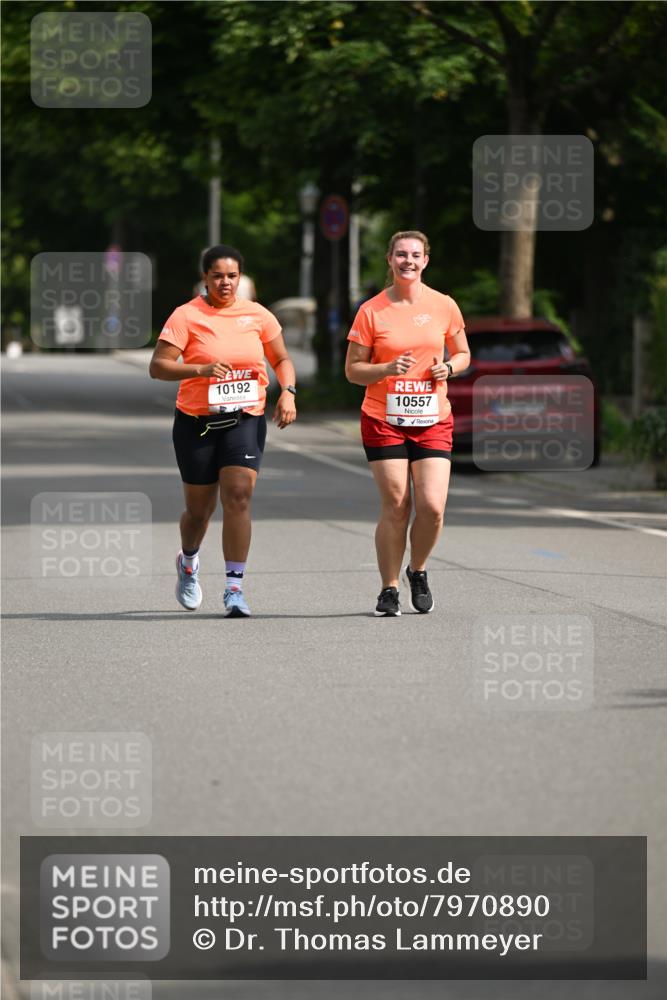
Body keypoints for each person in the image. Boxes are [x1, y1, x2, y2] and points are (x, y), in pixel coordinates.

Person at [149, 244, 297, 617]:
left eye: (232, 276)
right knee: (198, 512)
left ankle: (234, 589)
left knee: (239, 495)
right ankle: (188, 561)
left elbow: (281, 358)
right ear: (206, 278)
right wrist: (198, 370)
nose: (226, 283)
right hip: (197, 423)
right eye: (218, 276)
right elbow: (159, 366)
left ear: (240, 278)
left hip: (244, 418)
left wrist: (288, 393)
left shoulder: (257, 315)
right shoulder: (186, 316)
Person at [345, 230, 470, 616]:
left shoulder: (444, 305)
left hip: (432, 417)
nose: (408, 261)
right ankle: (389, 588)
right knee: (397, 504)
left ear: (426, 260)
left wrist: (448, 367)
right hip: (384, 417)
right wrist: (385, 368)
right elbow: (352, 370)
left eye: (415, 255)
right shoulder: (372, 311)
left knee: (432, 506)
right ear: (390, 259)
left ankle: (417, 569)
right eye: (401, 254)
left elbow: (463, 353)